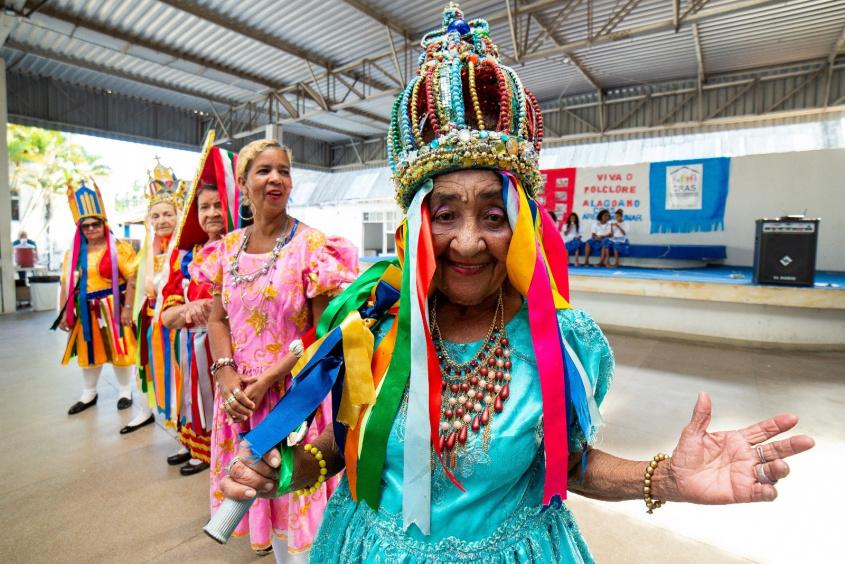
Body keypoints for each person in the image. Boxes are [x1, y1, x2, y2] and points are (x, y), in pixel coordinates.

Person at [220, 6, 814, 564]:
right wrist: (288, 471)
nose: (471, 241)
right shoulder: (372, 325)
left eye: (493, 215)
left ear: (523, 226)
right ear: (417, 225)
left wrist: (666, 479)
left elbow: (566, 465)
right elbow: (339, 448)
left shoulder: (562, 342)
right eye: (446, 214)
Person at [193, 139, 359, 560]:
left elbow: (326, 331)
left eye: (283, 170)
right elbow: (218, 319)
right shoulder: (227, 249)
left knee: (302, 510)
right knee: (270, 514)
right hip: (242, 403)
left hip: (294, 402)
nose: (276, 178)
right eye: (264, 170)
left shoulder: (313, 247)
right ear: (244, 184)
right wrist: (226, 372)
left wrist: (269, 377)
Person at [160, 133, 241, 476]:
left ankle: (221, 453)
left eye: (217, 205)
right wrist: (186, 311)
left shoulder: (244, 249)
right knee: (194, 397)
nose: (211, 213)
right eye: (203, 207)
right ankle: (195, 446)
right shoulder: (187, 258)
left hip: (232, 347)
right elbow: (166, 313)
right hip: (192, 348)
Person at [56, 180, 137, 418]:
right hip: (85, 309)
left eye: (96, 224)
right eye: (86, 226)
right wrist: (64, 312)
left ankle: (125, 391)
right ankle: (89, 393)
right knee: (89, 351)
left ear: (104, 224)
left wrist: (128, 310)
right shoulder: (72, 254)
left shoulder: (119, 248)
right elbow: (66, 284)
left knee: (121, 349)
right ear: (80, 229)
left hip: (115, 306)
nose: (91, 229)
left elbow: (132, 278)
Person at [124, 159, 183, 435]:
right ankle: (144, 410)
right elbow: (135, 281)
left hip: (175, 323)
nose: (162, 221)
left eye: (167, 214)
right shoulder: (147, 249)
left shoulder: (184, 250)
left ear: (178, 214)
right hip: (148, 320)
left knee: (178, 374)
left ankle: (185, 426)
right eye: (155, 216)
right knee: (145, 368)